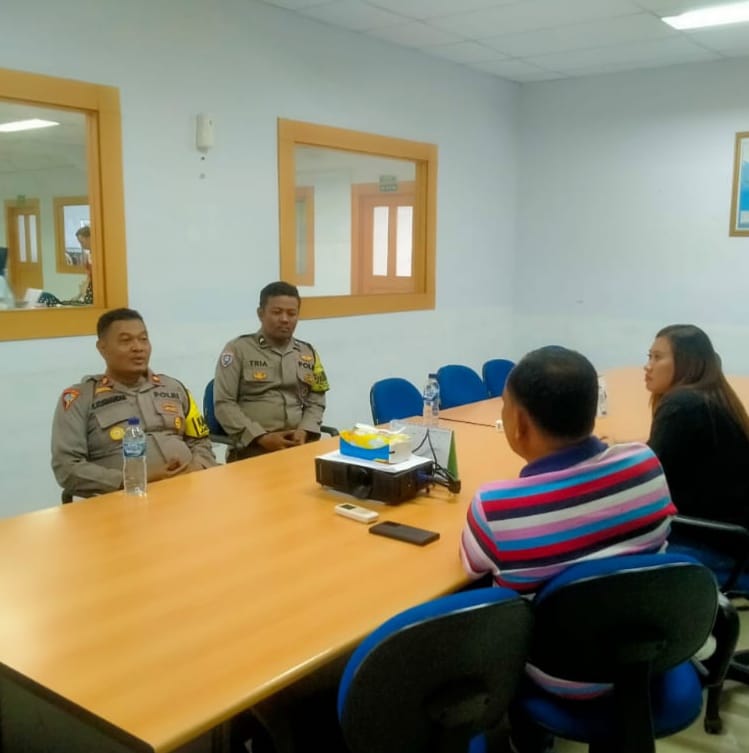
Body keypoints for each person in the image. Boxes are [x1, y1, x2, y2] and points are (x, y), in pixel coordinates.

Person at [459, 346, 676, 731]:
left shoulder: (496, 508)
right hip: (650, 652)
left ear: (518, 423)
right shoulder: (646, 463)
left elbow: (470, 567)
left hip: (559, 672)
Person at [51, 308, 217, 499]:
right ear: (102, 347)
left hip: (189, 491)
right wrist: (131, 480)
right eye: (126, 340)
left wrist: (196, 468)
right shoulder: (79, 398)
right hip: (124, 499)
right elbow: (67, 467)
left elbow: (200, 440)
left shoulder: (175, 388)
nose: (138, 347)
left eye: (143, 339)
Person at [645, 324, 749, 527]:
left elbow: (649, 475)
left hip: (707, 534)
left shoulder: (683, 404)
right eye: (649, 356)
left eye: (657, 357)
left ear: (686, 362)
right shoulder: (711, 400)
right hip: (729, 530)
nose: (648, 366)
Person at [213, 281, 329, 462]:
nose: (285, 319)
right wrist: (260, 437)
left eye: (292, 313)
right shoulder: (237, 350)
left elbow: (316, 401)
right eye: (277, 312)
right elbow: (224, 404)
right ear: (261, 314)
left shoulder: (308, 353)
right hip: (252, 449)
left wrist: (305, 430)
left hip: (298, 445)